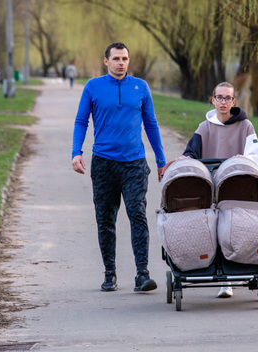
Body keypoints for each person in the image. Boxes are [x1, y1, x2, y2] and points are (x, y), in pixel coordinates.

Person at [71, 42, 166, 293]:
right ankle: (110, 274)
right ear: (106, 61)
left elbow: (151, 124)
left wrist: (160, 160)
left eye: (125, 58)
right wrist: (76, 153)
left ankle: (142, 274)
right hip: (103, 163)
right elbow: (81, 121)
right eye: (116, 58)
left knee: (137, 216)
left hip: (134, 163)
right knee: (105, 220)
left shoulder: (141, 87)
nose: (121, 62)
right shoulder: (93, 87)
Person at [181, 81, 258, 298]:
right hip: (210, 184)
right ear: (213, 100)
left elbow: (255, 156)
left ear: (234, 101)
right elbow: (191, 153)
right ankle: (216, 274)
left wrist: (242, 159)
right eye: (219, 97)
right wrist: (186, 159)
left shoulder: (245, 126)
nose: (223, 102)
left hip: (235, 184)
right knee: (211, 226)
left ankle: (229, 277)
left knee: (230, 228)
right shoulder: (204, 127)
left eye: (228, 98)